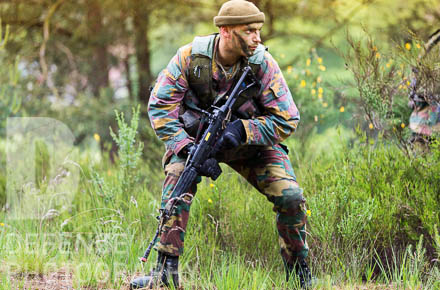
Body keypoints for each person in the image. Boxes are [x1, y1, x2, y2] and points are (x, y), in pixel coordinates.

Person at [130, 0, 312, 288]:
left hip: (250, 144)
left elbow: (288, 119)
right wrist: (187, 148)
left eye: (259, 30)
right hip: (196, 143)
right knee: (178, 182)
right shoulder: (190, 58)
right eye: (250, 30)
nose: (258, 38)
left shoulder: (262, 63)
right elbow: (160, 107)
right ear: (226, 31)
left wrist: (244, 130)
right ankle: (164, 274)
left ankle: (300, 277)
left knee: (290, 196)